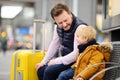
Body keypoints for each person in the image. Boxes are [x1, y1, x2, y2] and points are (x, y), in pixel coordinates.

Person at [35, 3, 87, 80]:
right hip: (66, 60)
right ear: (55, 21)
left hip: (78, 62)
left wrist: (56, 61)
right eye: (60, 23)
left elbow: (76, 54)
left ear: (70, 14)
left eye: (66, 20)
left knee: (49, 71)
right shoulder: (57, 27)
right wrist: (43, 62)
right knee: (41, 70)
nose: (64, 24)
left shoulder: (80, 27)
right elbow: (54, 45)